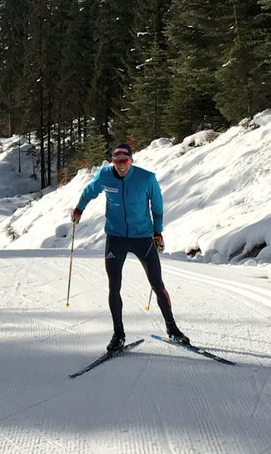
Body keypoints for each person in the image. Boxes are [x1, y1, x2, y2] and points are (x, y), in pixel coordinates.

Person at [71, 142, 191, 354]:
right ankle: (118, 334)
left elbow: (158, 206)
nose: (121, 165)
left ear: (131, 160)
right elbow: (89, 191)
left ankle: (172, 329)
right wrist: (79, 209)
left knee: (157, 284)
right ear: (113, 162)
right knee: (114, 286)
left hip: (142, 237)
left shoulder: (146, 178)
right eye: (117, 161)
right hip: (115, 238)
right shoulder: (105, 176)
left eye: (125, 161)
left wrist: (158, 232)